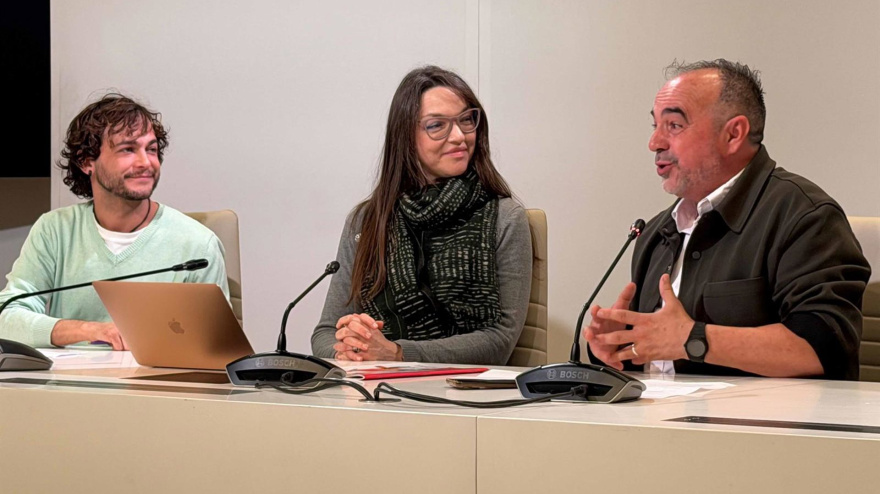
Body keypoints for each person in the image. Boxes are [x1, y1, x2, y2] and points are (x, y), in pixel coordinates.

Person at [585, 59, 870, 380]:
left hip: (761, 427)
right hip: (657, 422)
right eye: (655, 126)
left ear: (733, 134)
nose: (655, 143)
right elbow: (661, 356)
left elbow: (824, 348)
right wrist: (619, 346)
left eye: (674, 126)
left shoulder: (805, 216)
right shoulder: (656, 232)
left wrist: (692, 339)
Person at [312, 66, 532, 365]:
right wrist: (352, 346)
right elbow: (326, 333)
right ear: (405, 136)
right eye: (437, 125)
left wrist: (398, 354)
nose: (459, 136)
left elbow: (500, 340)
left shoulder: (505, 217)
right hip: (375, 393)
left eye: (467, 120)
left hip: (464, 396)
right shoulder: (367, 220)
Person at [0, 94, 228, 350]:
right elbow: (6, 317)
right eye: (128, 149)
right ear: (87, 161)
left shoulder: (198, 245)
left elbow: (217, 346)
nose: (146, 163)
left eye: (151, 149)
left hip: (155, 385)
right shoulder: (55, 230)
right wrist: (88, 330)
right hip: (69, 386)